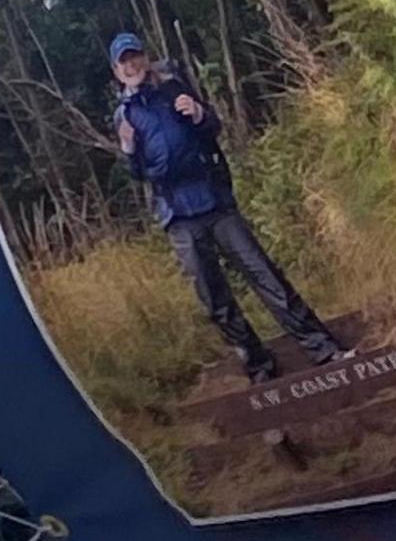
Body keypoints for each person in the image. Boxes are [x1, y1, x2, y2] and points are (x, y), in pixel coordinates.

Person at [106, 31, 346, 385]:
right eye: (123, 62)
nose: (131, 65)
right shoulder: (123, 116)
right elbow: (139, 173)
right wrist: (128, 149)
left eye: (135, 57)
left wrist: (200, 113)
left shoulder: (173, 88)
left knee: (263, 272)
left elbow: (212, 129)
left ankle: (321, 347)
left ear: (145, 57)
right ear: (116, 70)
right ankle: (259, 367)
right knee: (214, 296)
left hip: (214, 200)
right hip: (177, 215)